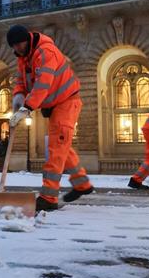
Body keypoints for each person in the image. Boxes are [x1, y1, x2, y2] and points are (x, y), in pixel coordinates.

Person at [6, 24, 93, 212]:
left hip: (67, 103)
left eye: (19, 44)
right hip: (55, 106)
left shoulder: (45, 52)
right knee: (62, 147)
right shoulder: (24, 58)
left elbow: (43, 84)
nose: (17, 48)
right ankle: (82, 184)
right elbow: (21, 81)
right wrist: (18, 97)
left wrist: (27, 107)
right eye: (14, 46)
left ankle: (48, 197)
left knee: (55, 149)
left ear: (27, 39)